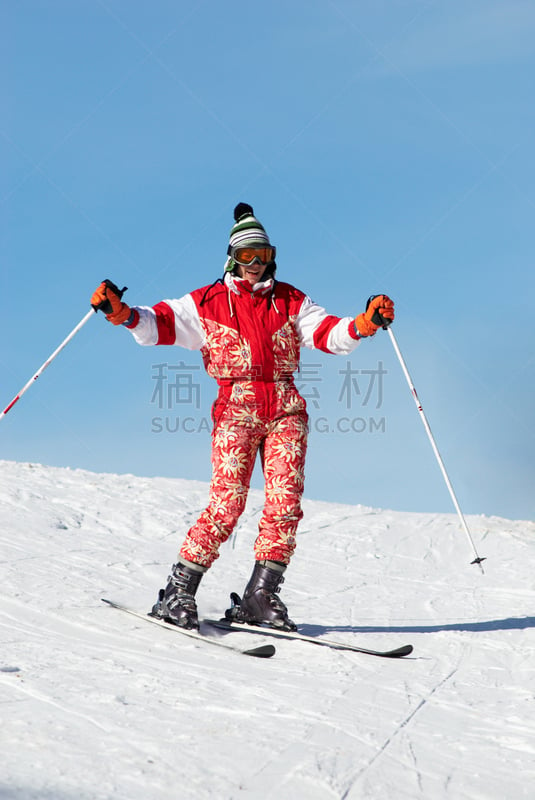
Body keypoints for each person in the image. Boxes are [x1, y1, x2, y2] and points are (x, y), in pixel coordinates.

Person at [91, 203, 394, 632]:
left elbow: (327, 332)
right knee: (228, 503)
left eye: (264, 255)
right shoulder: (207, 302)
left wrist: (364, 323)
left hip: (286, 409)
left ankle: (260, 594)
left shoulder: (291, 300)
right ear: (233, 257)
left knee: (285, 504)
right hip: (237, 407)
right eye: (248, 256)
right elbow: (159, 322)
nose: (256, 264)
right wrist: (122, 313)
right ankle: (179, 590)